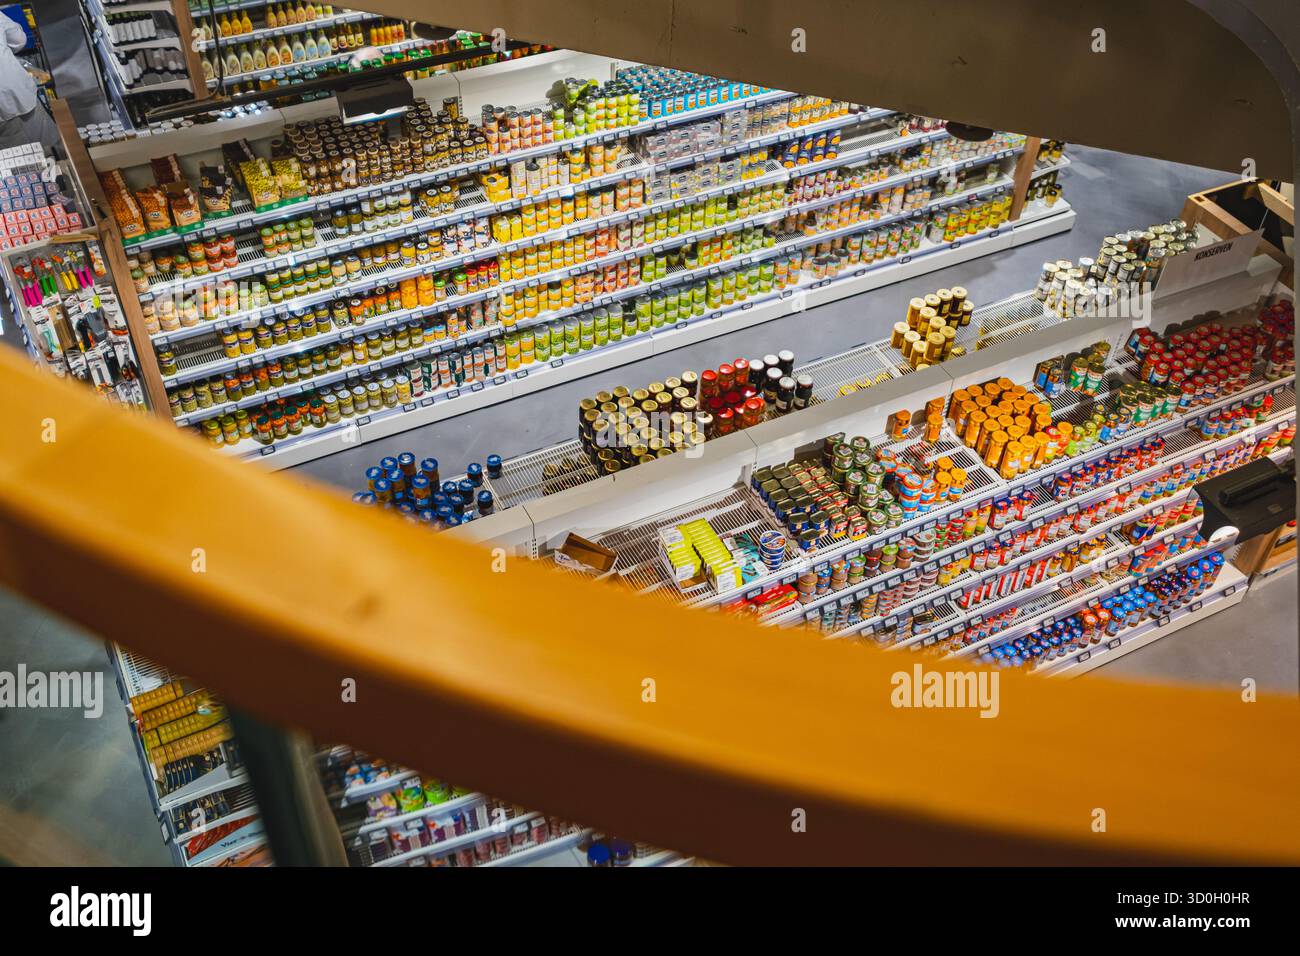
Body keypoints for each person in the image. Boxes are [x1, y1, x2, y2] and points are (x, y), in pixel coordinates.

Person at [0, 10, 58, 152]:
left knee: (23, 163)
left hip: (3, 115)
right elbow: (19, 40)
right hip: (21, 92)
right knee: (54, 149)